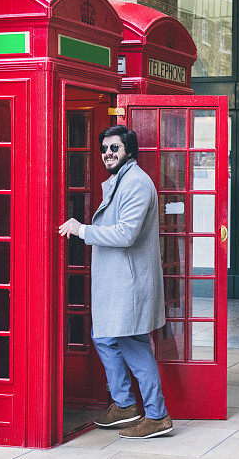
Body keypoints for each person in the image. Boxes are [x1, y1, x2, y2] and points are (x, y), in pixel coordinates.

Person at [58, 125, 172, 439]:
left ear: (129, 151)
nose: (108, 153)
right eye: (104, 148)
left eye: (115, 148)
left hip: (130, 282)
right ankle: (124, 403)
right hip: (119, 282)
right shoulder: (121, 182)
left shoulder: (135, 183)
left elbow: (125, 234)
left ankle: (157, 415)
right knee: (103, 336)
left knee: (133, 345)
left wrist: (81, 230)